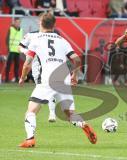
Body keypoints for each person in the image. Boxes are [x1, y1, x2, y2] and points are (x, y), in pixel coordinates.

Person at [18, 12, 97, 148]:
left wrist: (23, 77)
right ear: (54, 25)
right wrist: (74, 75)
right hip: (64, 78)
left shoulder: (36, 39)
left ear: (40, 23)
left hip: (47, 79)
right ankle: (83, 124)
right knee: (69, 114)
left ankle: (30, 139)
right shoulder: (62, 40)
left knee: (31, 111)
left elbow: (27, 63)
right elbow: (77, 59)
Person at [19, 29, 58, 122]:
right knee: (45, 88)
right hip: (37, 66)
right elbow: (19, 47)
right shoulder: (31, 35)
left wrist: (23, 77)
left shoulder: (54, 35)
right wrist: (26, 51)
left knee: (45, 87)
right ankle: (38, 113)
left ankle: (48, 113)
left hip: (48, 65)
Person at [5, 18, 23, 82]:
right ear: (14, 22)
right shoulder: (11, 29)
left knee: (17, 66)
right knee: (8, 65)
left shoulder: (21, 30)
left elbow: (21, 40)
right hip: (11, 50)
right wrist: (8, 47)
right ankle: (6, 78)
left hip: (17, 50)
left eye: (19, 22)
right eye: (17, 22)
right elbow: (7, 39)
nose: (18, 23)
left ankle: (16, 78)